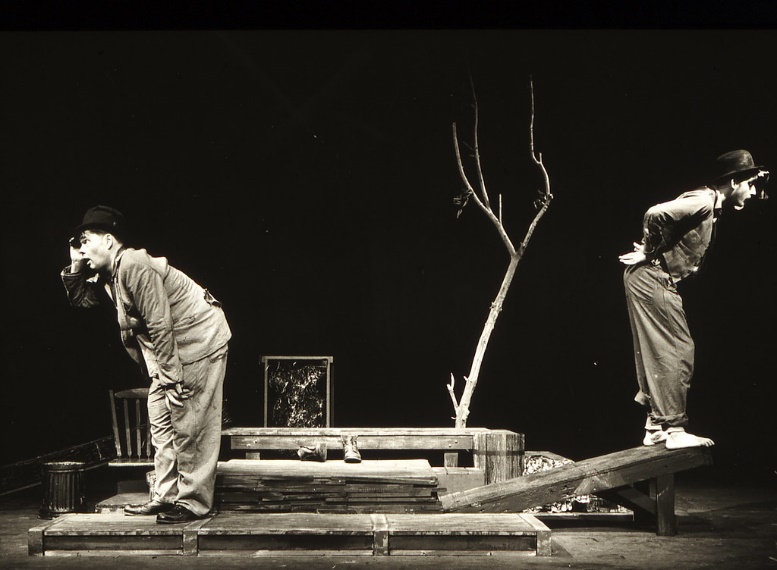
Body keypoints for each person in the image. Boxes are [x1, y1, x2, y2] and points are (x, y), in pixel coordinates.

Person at [61, 205, 232, 523]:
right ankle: (166, 496)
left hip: (197, 340)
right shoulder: (111, 272)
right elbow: (82, 302)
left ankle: (193, 502)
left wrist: (171, 379)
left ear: (109, 240)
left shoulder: (134, 264)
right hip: (170, 351)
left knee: (190, 422)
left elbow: (159, 322)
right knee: (161, 420)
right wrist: (74, 265)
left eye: (85, 240)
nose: (81, 247)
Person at [619, 150, 768, 450]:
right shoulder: (702, 200)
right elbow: (654, 213)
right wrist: (650, 250)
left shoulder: (712, 204)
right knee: (678, 350)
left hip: (648, 278)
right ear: (734, 181)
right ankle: (674, 429)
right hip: (651, 277)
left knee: (658, 352)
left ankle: (655, 426)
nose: (753, 192)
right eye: (749, 183)